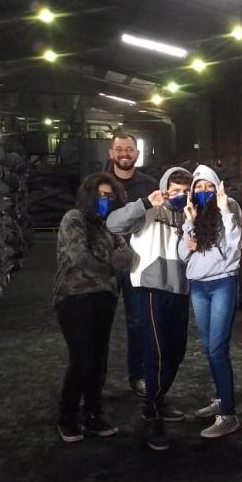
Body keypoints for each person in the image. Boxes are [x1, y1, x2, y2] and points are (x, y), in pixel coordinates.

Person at [107, 165, 193, 451]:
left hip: (180, 289)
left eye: (185, 191)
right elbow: (113, 224)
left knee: (176, 350)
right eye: (175, 190)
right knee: (155, 350)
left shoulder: (189, 216)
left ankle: (156, 398)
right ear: (165, 189)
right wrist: (145, 202)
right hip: (151, 287)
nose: (179, 196)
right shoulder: (148, 210)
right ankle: (153, 413)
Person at [54, 172, 133, 443]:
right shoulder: (73, 219)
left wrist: (106, 261)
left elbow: (127, 257)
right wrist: (109, 263)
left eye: (109, 196)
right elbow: (79, 257)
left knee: (99, 359)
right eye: (100, 195)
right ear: (89, 195)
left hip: (105, 297)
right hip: (75, 297)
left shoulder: (109, 225)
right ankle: (67, 416)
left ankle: (93, 413)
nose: (104, 200)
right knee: (82, 358)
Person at [177, 164, 242, 439]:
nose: (203, 191)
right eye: (199, 187)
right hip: (198, 286)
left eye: (208, 185)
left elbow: (236, 244)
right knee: (208, 347)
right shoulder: (191, 212)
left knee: (218, 349)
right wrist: (191, 223)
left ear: (217, 187)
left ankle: (228, 414)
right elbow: (183, 253)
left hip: (222, 284)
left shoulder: (229, 207)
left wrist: (225, 210)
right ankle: (220, 396)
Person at [106, 132, 158, 398]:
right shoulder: (99, 183)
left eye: (129, 149)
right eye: (119, 149)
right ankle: (94, 379)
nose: (124, 153)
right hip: (103, 263)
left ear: (137, 153)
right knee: (97, 321)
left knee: (138, 321)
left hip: (137, 262)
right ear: (111, 153)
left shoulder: (150, 185)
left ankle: (137, 375)